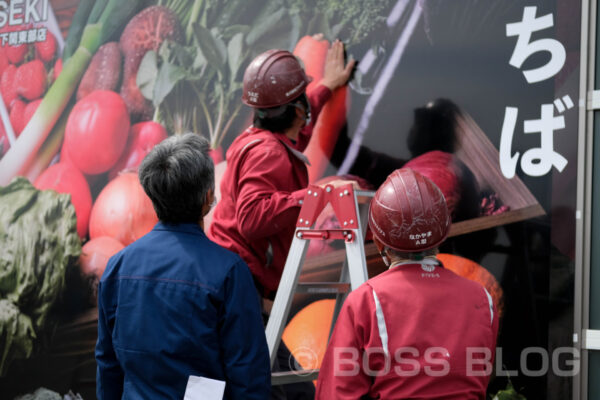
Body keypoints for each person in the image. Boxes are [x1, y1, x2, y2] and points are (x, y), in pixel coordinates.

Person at [208, 40, 355, 399]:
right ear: (294, 110)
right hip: (237, 293)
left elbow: (295, 137)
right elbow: (252, 217)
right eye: (302, 97)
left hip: (231, 288)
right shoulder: (268, 153)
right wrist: (314, 196)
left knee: (294, 389)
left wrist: (325, 87)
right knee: (284, 391)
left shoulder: (261, 139)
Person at [95, 133, 270, 400]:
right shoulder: (229, 273)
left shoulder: (117, 267)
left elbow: (108, 366)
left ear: (152, 197)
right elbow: (248, 378)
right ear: (208, 197)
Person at [315, 168, 499, 399]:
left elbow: (338, 393)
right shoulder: (482, 298)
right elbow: (480, 376)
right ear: (442, 237)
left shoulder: (367, 299)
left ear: (380, 243)